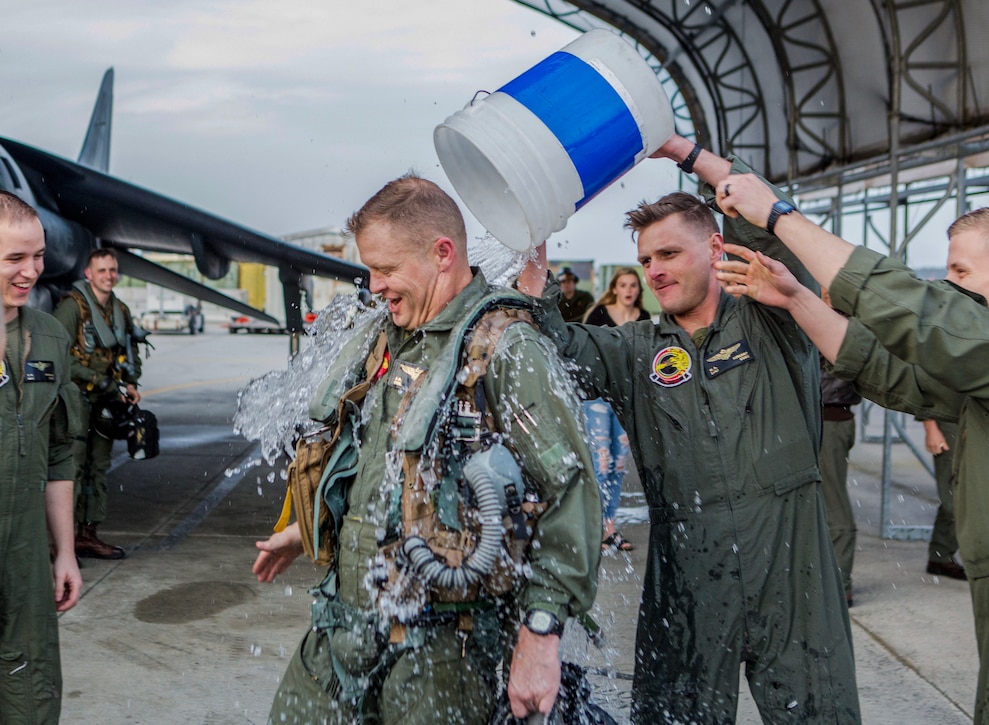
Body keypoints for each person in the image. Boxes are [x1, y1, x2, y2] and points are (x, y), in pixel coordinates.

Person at [714, 175, 989, 723]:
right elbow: (889, 371)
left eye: (960, 272)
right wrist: (796, 298)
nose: (949, 283)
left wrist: (778, 216)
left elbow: (921, 312)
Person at [518, 138, 858, 724]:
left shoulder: (775, 317)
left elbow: (773, 218)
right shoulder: (636, 349)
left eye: (670, 253)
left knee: (819, 713)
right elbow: (552, 350)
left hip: (792, 566)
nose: (654, 271)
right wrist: (535, 251)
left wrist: (683, 150)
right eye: (647, 260)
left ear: (717, 247)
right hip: (687, 576)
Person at [251, 174, 600, 724]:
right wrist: (314, 523)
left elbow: (569, 495)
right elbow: (373, 465)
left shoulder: (507, 349)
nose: (373, 286)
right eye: (370, 269)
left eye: (386, 269)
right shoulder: (383, 339)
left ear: (442, 254)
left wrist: (540, 635)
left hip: (446, 652)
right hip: (346, 626)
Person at [0, 190, 82, 723]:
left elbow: (58, 453)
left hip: (26, 552)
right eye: (15, 258)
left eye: (39, 256)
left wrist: (66, 552)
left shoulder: (49, 337)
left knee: (28, 690)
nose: (32, 271)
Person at [53, 248, 142, 560]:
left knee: (98, 467)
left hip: (107, 401)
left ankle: (87, 535)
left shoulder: (120, 310)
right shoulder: (71, 307)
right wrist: (97, 378)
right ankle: (59, 541)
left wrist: (130, 383)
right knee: (71, 467)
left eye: (112, 270)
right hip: (75, 396)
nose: (109, 276)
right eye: (102, 271)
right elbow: (58, 353)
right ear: (88, 274)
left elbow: (130, 351)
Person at [581, 267, 650, 553]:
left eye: (633, 285)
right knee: (601, 463)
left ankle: (608, 528)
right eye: (623, 285)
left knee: (619, 466)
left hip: (626, 396)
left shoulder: (644, 319)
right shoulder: (598, 314)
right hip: (598, 398)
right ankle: (592, 527)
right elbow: (585, 351)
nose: (629, 290)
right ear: (615, 288)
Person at [819, 363, 861, 606]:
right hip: (824, 415)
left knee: (833, 504)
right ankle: (834, 582)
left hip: (829, 416)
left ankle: (839, 584)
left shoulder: (837, 324)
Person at [920, 418, 966, 580]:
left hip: (985, 417)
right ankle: (941, 555)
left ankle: (941, 555)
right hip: (951, 419)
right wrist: (931, 428)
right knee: (953, 498)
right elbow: (927, 393)